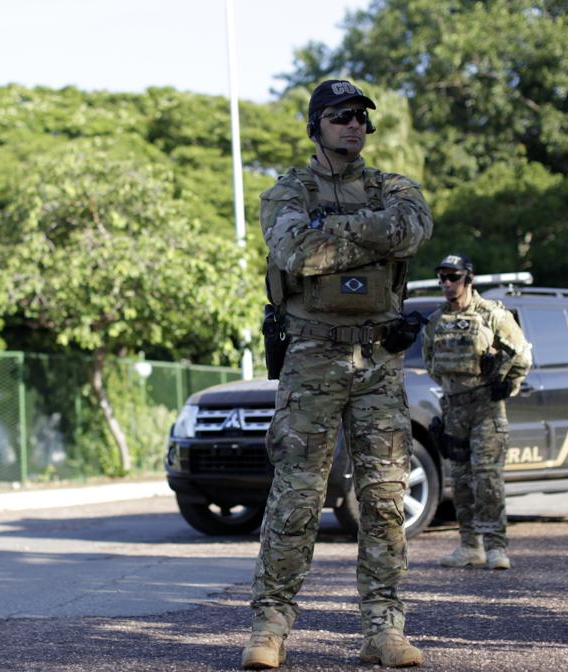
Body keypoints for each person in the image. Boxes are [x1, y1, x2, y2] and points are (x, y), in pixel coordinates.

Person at [244, 79, 433, 669]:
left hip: (378, 360)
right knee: (297, 496)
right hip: (312, 357)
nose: (354, 124)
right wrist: (373, 240)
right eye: (340, 116)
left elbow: (413, 229)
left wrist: (338, 235)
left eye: (360, 116)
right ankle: (270, 629)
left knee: (383, 498)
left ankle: (384, 629)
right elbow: (295, 251)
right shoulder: (288, 191)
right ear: (316, 125)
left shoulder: (392, 186)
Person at [421, 254, 532, 571]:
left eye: (452, 277)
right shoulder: (437, 320)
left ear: (468, 278)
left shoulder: (491, 314)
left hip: (486, 408)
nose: (446, 283)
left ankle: (496, 547)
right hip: (454, 409)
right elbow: (431, 363)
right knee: (461, 481)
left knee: (487, 479)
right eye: (442, 277)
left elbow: (521, 353)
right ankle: (470, 546)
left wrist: (507, 383)